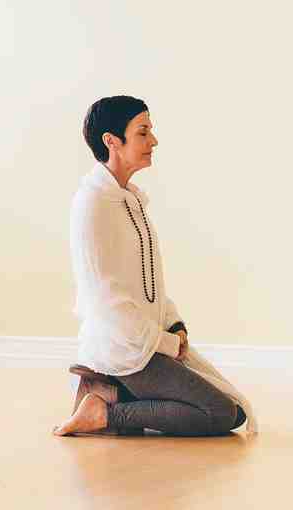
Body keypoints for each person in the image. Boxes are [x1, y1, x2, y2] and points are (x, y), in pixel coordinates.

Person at [53, 96, 254, 437]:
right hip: (123, 349)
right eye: (143, 132)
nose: (154, 141)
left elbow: (147, 281)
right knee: (220, 413)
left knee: (235, 411)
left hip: (146, 342)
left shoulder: (129, 199)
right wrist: (166, 343)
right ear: (111, 141)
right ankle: (105, 414)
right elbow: (105, 300)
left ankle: (114, 395)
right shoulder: (92, 203)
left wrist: (174, 324)